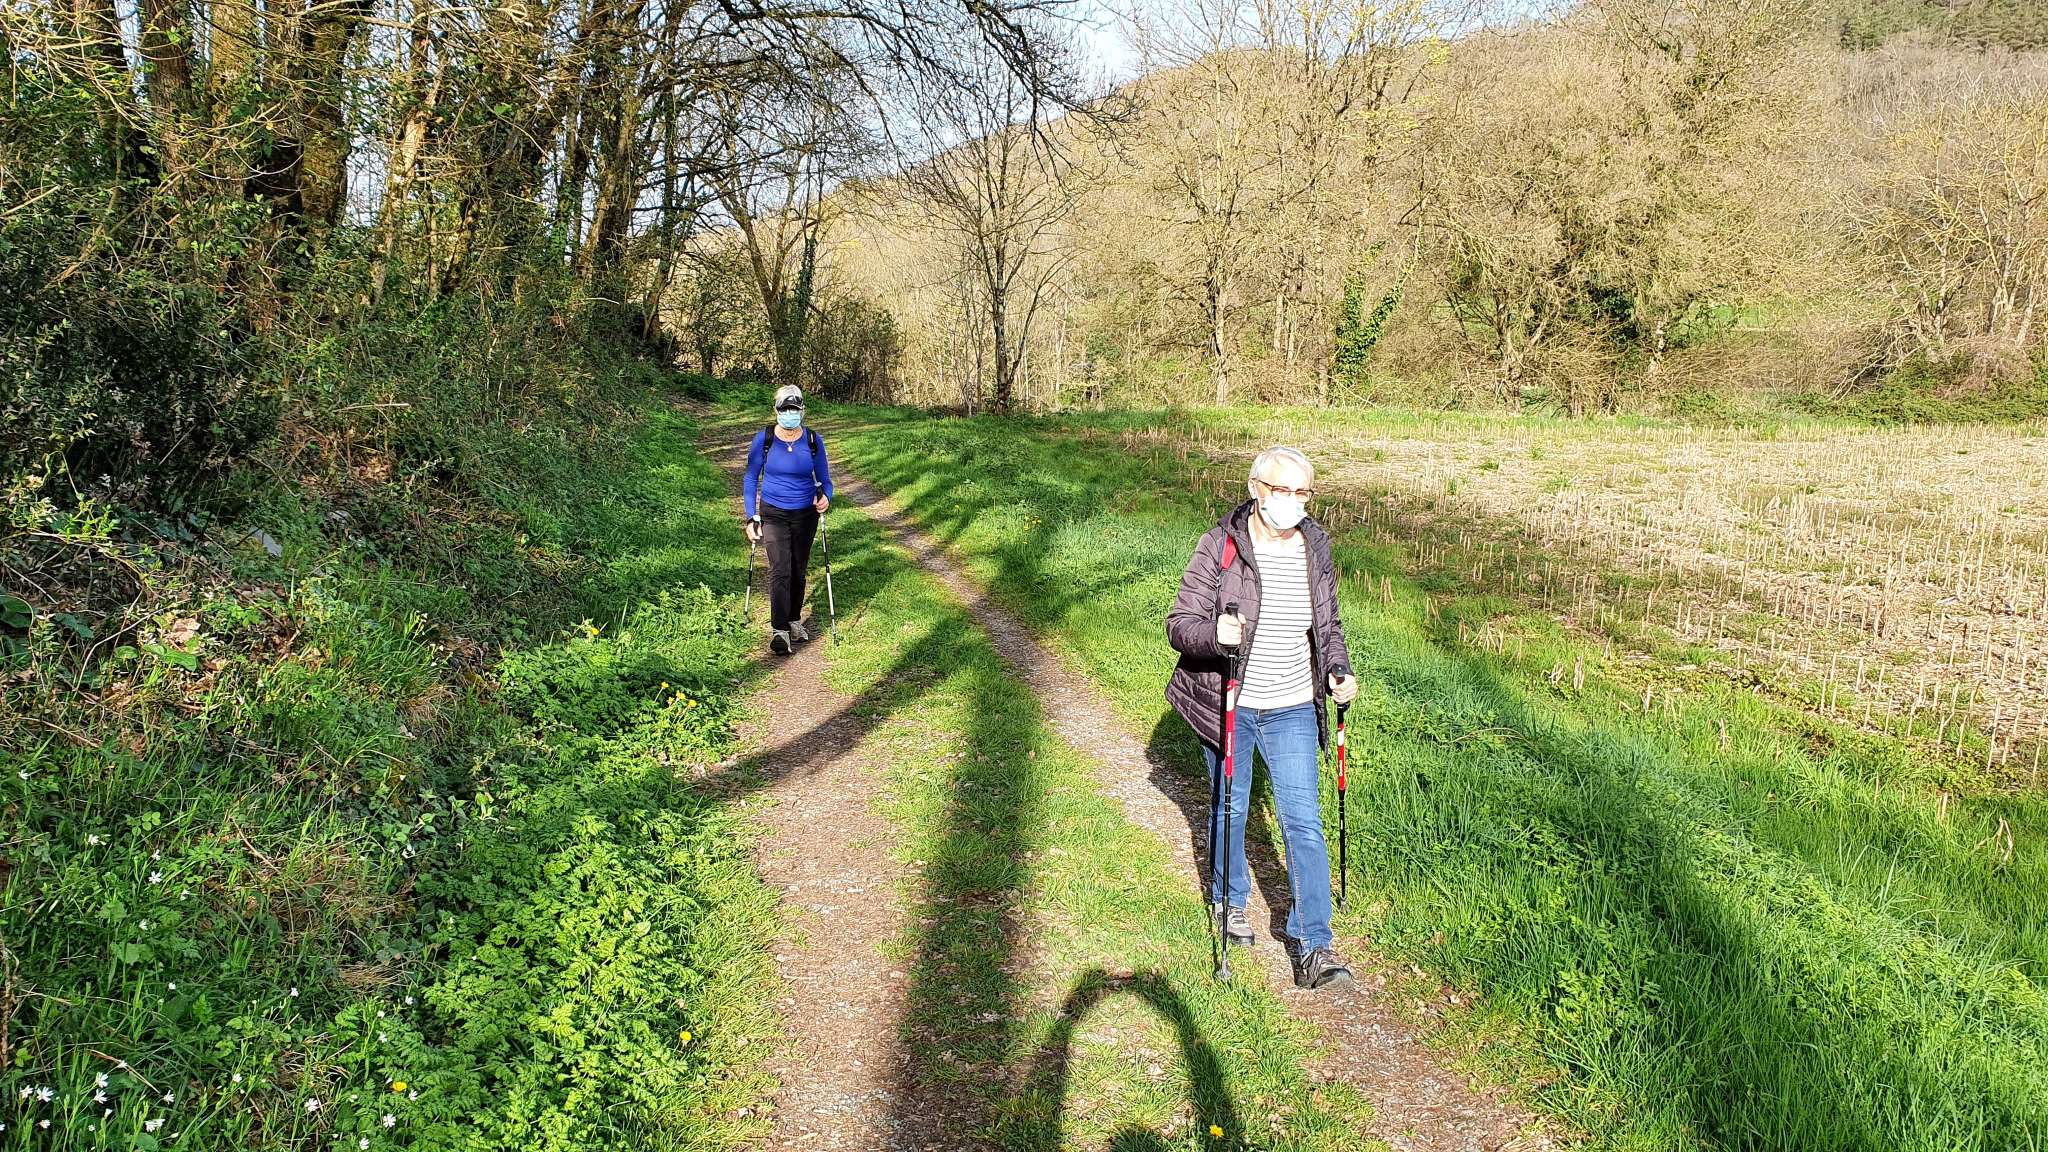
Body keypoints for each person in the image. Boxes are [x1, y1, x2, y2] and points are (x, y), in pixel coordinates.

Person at [1165, 445, 1360, 990]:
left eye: (1302, 492)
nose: (1292, 501)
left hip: (1293, 703)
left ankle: (1314, 944)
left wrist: (1338, 670)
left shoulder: (1315, 548)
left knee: (1304, 821)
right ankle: (1229, 901)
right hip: (1231, 701)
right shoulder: (1221, 545)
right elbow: (1180, 624)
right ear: (1256, 489)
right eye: (1281, 490)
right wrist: (1215, 634)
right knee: (1231, 806)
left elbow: (1328, 625)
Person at [743, 384, 834, 654]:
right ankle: (780, 630)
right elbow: (751, 477)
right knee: (780, 568)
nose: (790, 414)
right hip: (773, 512)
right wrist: (751, 516)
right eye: (785, 409)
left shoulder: (813, 441)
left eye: (794, 409)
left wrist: (826, 497)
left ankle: (794, 619)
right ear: (777, 410)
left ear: (802, 411)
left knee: (798, 569)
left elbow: (826, 480)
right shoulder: (765, 439)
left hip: (805, 513)